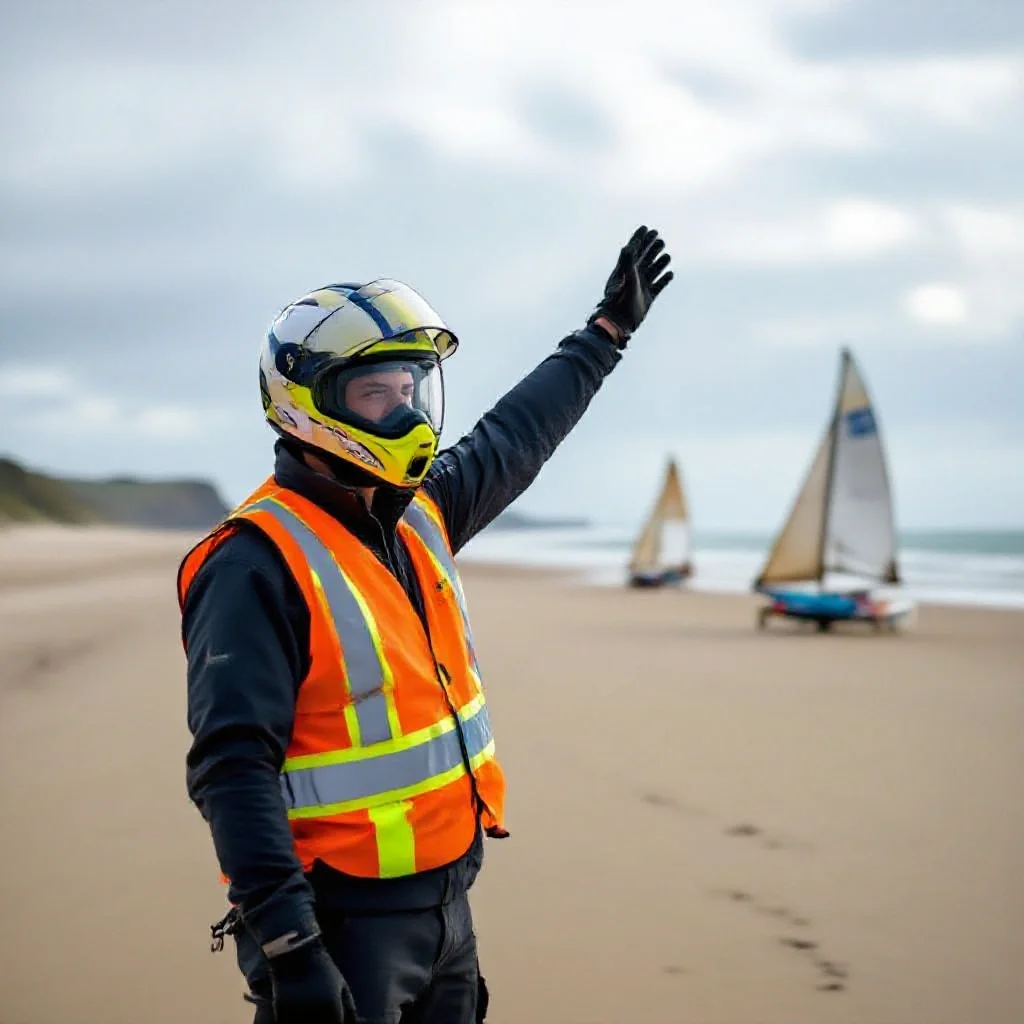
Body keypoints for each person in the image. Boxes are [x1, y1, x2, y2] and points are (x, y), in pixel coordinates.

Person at [177, 226, 674, 1024]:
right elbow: (232, 768)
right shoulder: (253, 563)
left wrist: (605, 333)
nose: (405, 409)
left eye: (412, 387)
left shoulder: (416, 515)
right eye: (377, 393)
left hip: (446, 909)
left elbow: (516, 434)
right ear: (308, 403)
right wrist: (289, 946)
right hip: (339, 925)